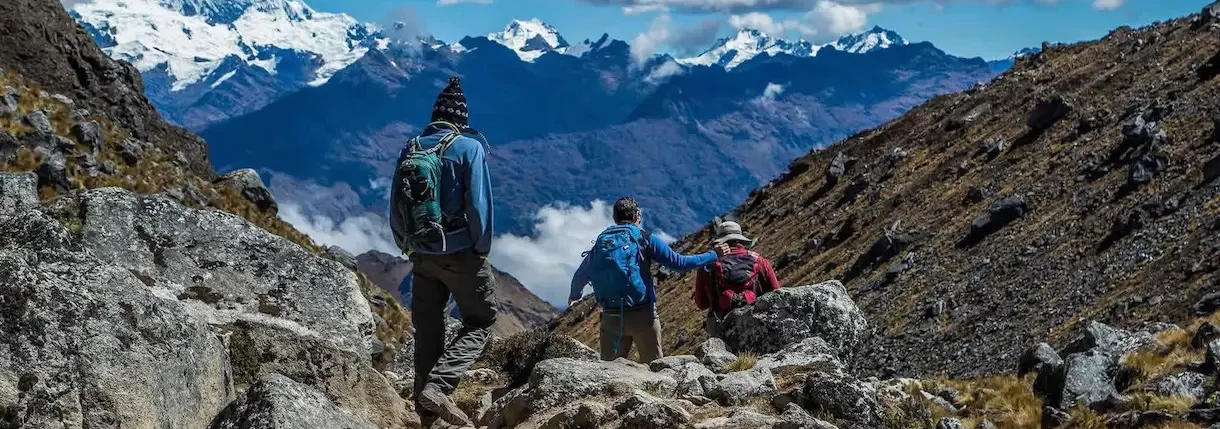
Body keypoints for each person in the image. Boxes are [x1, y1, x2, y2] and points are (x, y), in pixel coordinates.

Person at [390, 76, 494, 428]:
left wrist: (406, 244)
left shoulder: (411, 147)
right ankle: (439, 386)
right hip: (461, 252)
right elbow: (478, 207)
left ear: (435, 116)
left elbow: (395, 203)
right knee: (481, 321)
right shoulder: (469, 148)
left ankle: (426, 417)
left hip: (421, 254)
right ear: (461, 120)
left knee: (428, 332)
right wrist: (481, 248)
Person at [568, 197, 729, 363]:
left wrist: (574, 296)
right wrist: (713, 255)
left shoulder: (602, 244)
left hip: (611, 317)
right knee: (654, 368)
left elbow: (580, 276)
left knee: (607, 370)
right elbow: (679, 263)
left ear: (615, 218)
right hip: (643, 316)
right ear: (637, 216)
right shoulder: (645, 238)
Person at [694, 221, 781, 338]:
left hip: (721, 328)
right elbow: (776, 293)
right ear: (740, 239)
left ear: (720, 241)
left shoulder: (707, 267)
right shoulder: (760, 261)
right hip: (756, 323)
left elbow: (702, 304)